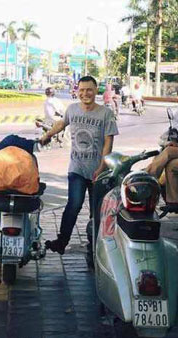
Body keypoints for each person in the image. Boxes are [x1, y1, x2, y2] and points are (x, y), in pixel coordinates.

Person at [40, 75, 119, 255]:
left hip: (98, 170)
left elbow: (108, 142)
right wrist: (47, 135)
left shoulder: (105, 113)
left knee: (96, 211)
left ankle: (95, 246)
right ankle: (62, 241)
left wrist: (102, 167)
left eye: (89, 90)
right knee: (73, 205)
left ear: (96, 90)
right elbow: (61, 123)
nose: (85, 93)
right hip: (76, 167)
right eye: (81, 90)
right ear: (77, 91)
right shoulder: (72, 109)